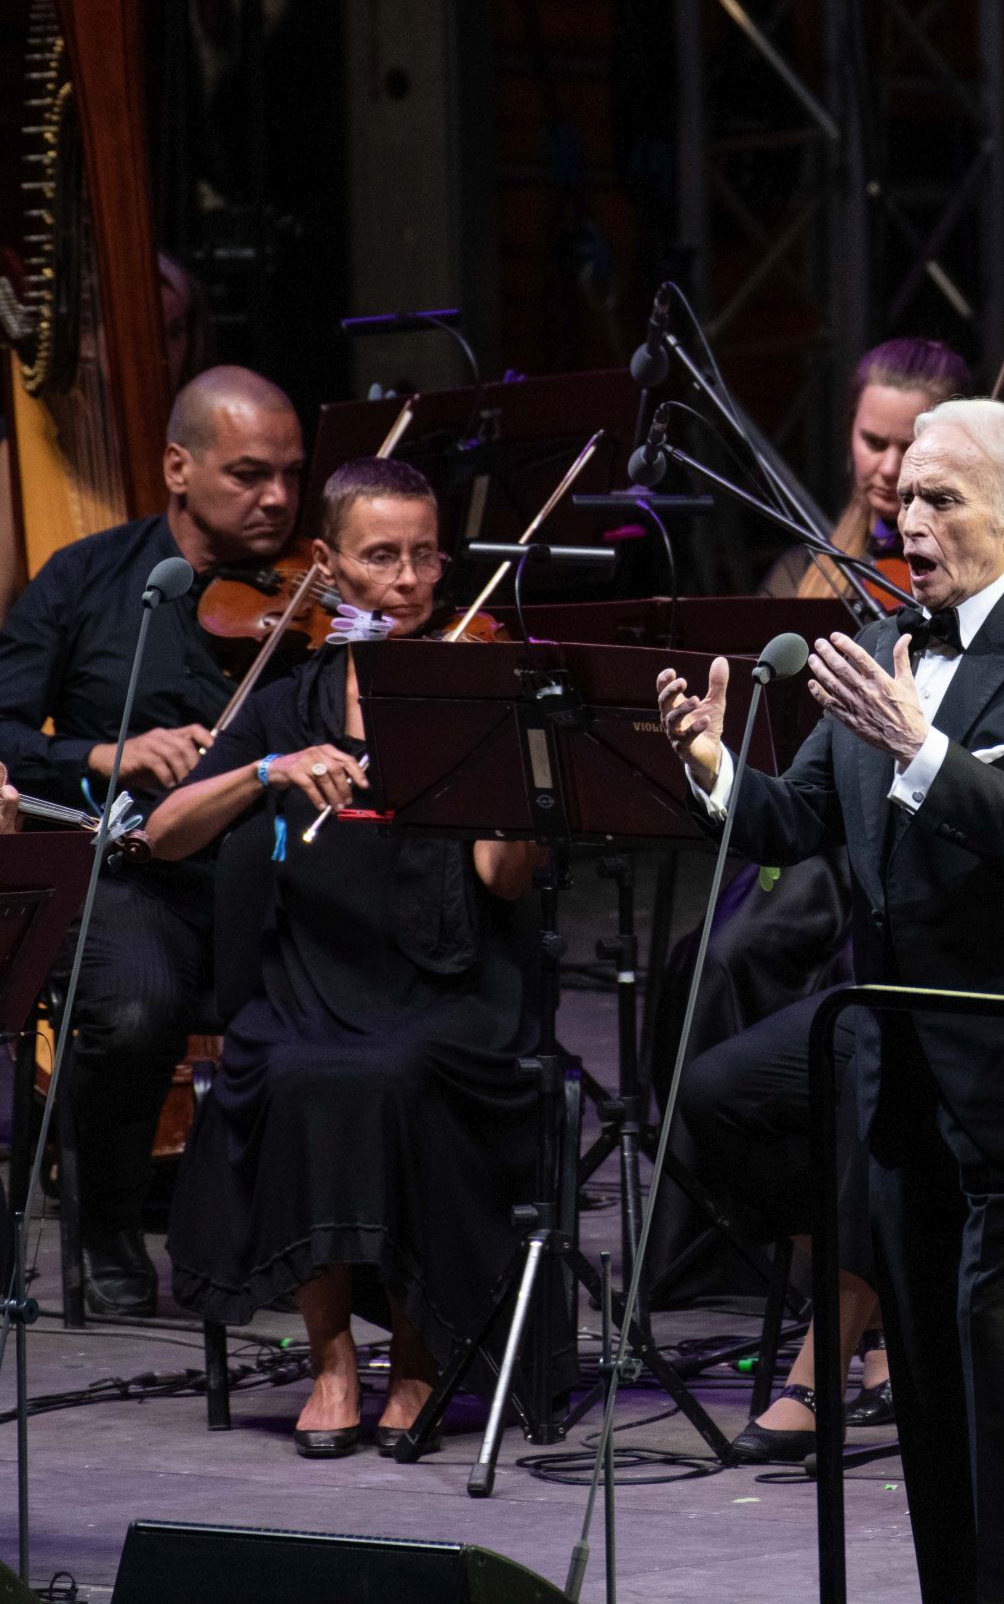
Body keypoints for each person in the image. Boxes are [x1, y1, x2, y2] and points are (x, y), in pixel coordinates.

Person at [658, 398, 1004, 1604]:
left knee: (1003, 1354)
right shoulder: (881, 637)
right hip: (905, 1057)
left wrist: (924, 748)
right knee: (931, 1365)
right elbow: (800, 818)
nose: (910, 518)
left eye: (942, 498)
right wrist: (715, 766)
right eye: (904, 496)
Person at [150, 457, 543, 1458]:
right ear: (328, 565)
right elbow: (165, 831)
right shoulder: (290, 698)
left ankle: (415, 1356)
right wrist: (266, 769)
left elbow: (503, 882)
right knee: (284, 1067)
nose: (410, 578)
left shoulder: (472, 688)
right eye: (382, 557)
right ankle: (331, 1358)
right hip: (312, 980)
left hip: (446, 989)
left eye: (424, 555)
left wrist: (506, 764)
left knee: (398, 1075)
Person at [0, 364, 302, 1315]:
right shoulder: (88, 581)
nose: (280, 498)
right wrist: (103, 754)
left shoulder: (310, 597)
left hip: (282, 872)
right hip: (135, 877)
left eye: (292, 474)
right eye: (250, 474)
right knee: (134, 1007)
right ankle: (106, 1227)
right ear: (179, 466)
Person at [760, 337, 973, 600]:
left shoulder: (980, 575)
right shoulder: (799, 572)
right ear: (850, 430)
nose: (889, 468)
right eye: (874, 443)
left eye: (910, 448)